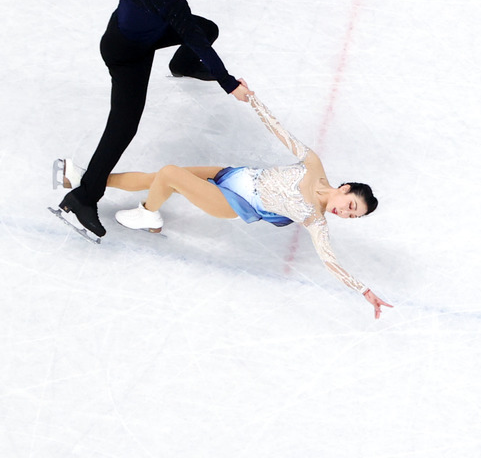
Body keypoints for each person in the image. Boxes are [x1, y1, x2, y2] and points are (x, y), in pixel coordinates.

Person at [55, 0, 252, 239]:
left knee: (207, 27)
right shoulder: (168, 0)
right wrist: (230, 83)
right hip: (125, 53)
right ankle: (83, 198)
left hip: (142, 30)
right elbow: (196, 40)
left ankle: (181, 66)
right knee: (123, 126)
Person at [66, 94, 391, 319]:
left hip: (231, 202)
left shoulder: (315, 220)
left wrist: (364, 290)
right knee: (157, 178)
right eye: (350, 205)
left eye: (352, 216)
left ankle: (148, 213)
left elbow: (330, 261)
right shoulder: (314, 164)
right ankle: (87, 179)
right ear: (345, 188)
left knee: (169, 174)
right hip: (233, 174)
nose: (344, 213)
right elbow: (281, 132)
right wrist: (253, 101)